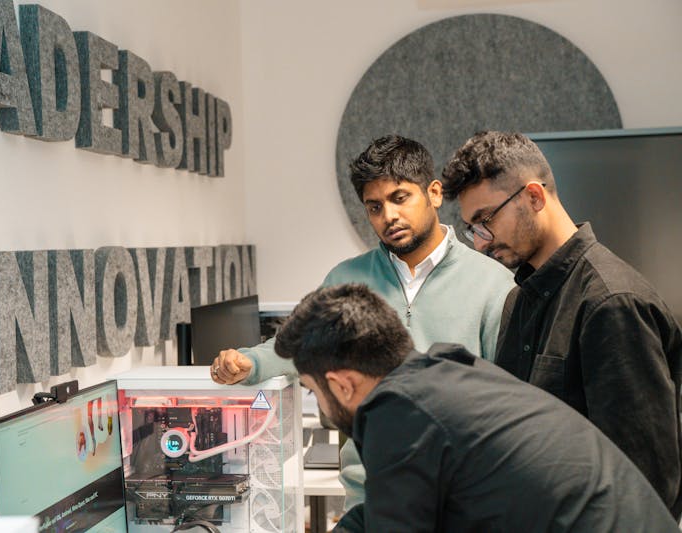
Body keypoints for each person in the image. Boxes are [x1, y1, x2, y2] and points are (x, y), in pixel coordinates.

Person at [209, 135, 514, 507]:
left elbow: (507, 400)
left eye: (400, 198)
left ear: (434, 193)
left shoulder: (493, 283)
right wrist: (249, 362)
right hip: (369, 496)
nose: (388, 216)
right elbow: (297, 346)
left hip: (461, 497)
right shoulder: (346, 280)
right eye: (374, 207)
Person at [274, 283, 679, 532]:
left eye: (312, 389)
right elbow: (391, 509)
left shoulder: (396, 410)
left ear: (342, 383)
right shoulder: (446, 371)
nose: (321, 407)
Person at [441, 130, 682, 516]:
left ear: (534, 197)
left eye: (486, 220)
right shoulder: (519, 301)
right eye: (473, 229)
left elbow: (647, 483)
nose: (481, 242)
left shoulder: (612, 302)